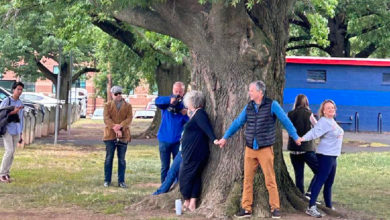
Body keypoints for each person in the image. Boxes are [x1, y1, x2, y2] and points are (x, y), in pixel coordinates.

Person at [217, 80, 300, 219]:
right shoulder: (249, 107)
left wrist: (295, 136)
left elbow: (285, 121)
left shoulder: (272, 105)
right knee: (247, 180)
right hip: (250, 148)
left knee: (270, 179)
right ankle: (246, 208)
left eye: (251, 90)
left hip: (265, 148)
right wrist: (225, 137)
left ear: (260, 92)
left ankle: (275, 208)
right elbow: (238, 122)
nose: (249, 92)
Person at [298, 100, 344, 218]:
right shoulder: (324, 121)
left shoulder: (331, 121)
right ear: (323, 111)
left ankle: (328, 206)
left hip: (333, 156)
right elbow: (314, 132)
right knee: (320, 180)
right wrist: (302, 139)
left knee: (329, 182)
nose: (331, 109)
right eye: (328, 108)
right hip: (325, 156)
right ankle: (311, 207)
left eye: (332, 107)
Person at [179, 90, 218, 212]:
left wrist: (214, 139)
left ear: (192, 102)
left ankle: (186, 200)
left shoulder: (200, 114)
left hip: (194, 153)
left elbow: (206, 127)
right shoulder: (195, 113)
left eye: (188, 102)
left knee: (184, 176)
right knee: (195, 176)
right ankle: (192, 202)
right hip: (193, 152)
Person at [155, 82, 189, 183]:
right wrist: (171, 100)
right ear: (172, 90)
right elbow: (157, 101)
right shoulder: (166, 102)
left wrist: (185, 112)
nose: (178, 94)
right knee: (165, 167)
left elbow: (189, 121)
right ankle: (163, 187)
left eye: (180, 92)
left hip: (178, 141)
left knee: (177, 166)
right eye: (176, 91)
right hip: (164, 139)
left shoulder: (185, 104)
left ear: (184, 92)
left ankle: (176, 186)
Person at [287, 94, 318, 198]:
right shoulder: (308, 114)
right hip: (306, 149)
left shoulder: (290, 114)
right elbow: (317, 126)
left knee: (298, 175)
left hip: (293, 149)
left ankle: (300, 196)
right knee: (320, 170)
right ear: (306, 102)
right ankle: (310, 192)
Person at [103, 86, 133, 188]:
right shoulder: (107, 105)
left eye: (120, 93)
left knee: (121, 159)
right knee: (109, 158)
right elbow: (106, 119)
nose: (118, 95)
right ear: (112, 95)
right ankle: (107, 180)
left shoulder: (128, 106)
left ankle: (121, 181)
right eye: (116, 94)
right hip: (110, 135)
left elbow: (129, 118)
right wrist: (115, 128)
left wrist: (120, 126)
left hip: (124, 135)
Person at [0, 82, 24, 183]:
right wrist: (12, 112)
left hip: (16, 129)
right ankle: (1, 174)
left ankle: (6, 172)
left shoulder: (20, 103)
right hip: (7, 129)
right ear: (13, 89)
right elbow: (1, 113)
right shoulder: (7, 101)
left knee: (12, 153)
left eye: (21, 90)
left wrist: (21, 132)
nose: (19, 91)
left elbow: (22, 118)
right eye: (18, 89)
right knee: (8, 151)